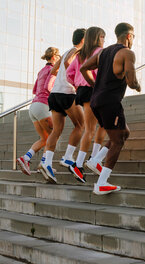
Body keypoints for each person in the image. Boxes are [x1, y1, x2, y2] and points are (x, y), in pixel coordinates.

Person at [80, 22, 141, 195]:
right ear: (129, 36)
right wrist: (137, 86)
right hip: (110, 102)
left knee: (124, 132)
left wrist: (95, 85)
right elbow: (131, 81)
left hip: (96, 101)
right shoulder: (127, 53)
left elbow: (84, 68)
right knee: (118, 141)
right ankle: (101, 183)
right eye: (133, 37)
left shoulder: (104, 52)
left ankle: (96, 160)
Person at [39, 28, 86, 183]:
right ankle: (67, 157)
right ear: (84, 39)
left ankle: (47, 162)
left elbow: (53, 70)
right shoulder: (77, 51)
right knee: (81, 125)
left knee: (57, 131)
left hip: (55, 94)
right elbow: (67, 64)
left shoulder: (66, 51)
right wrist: (74, 82)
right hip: (67, 92)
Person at [65, 26, 107, 183]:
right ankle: (81, 163)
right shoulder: (99, 53)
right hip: (93, 88)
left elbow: (69, 73)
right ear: (97, 38)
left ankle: (91, 159)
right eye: (103, 37)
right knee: (92, 129)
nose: (104, 41)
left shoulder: (80, 55)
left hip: (82, 91)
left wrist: (77, 84)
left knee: (99, 125)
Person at [16, 47, 60, 175]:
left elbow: (35, 90)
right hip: (43, 105)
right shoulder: (53, 70)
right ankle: (45, 164)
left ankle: (26, 158)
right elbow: (49, 87)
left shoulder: (41, 71)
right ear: (53, 57)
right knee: (54, 135)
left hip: (34, 106)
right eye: (58, 58)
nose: (59, 61)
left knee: (44, 139)